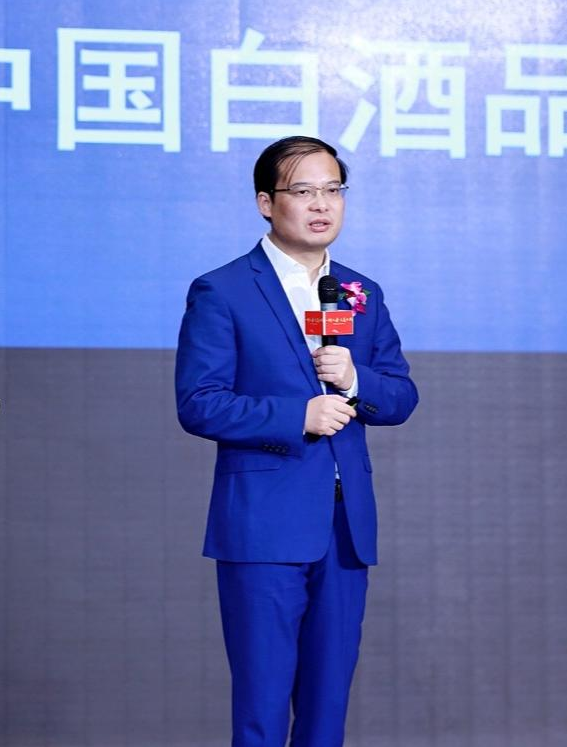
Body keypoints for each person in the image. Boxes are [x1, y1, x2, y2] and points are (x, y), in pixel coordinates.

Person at [175, 136, 419, 746]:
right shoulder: (224, 290)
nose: (321, 204)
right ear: (266, 202)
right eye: (304, 190)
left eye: (333, 190)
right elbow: (199, 403)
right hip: (264, 524)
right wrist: (297, 416)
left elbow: (400, 397)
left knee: (326, 708)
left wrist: (356, 380)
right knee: (261, 708)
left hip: (344, 527)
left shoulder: (360, 292)